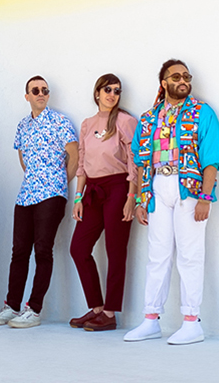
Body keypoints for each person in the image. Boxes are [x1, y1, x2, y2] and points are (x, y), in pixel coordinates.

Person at [124, 59, 219, 345]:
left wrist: (205, 197)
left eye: (186, 75)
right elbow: (142, 161)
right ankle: (150, 319)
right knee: (157, 255)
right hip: (157, 188)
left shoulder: (201, 112)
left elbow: (212, 156)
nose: (183, 80)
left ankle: (192, 322)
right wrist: (142, 198)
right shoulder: (148, 118)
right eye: (176, 76)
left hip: (188, 188)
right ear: (164, 83)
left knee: (190, 255)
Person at [0, 75, 78, 328]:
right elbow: (23, 157)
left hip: (51, 194)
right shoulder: (22, 126)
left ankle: (34, 309)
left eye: (45, 90)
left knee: (43, 250)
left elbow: (74, 156)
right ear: (26, 96)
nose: (41, 93)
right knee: (19, 252)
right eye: (35, 90)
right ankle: (12, 305)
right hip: (26, 194)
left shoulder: (60, 122)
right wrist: (34, 178)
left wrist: (58, 181)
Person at [69, 74, 137, 332]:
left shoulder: (125, 121)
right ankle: (96, 307)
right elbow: (83, 163)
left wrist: (132, 197)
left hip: (119, 187)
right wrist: (79, 197)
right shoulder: (87, 124)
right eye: (107, 89)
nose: (112, 94)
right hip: (93, 191)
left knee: (115, 250)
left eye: (117, 91)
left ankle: (110, 313)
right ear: (97, 92)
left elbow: (134, 161)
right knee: (79, 248)